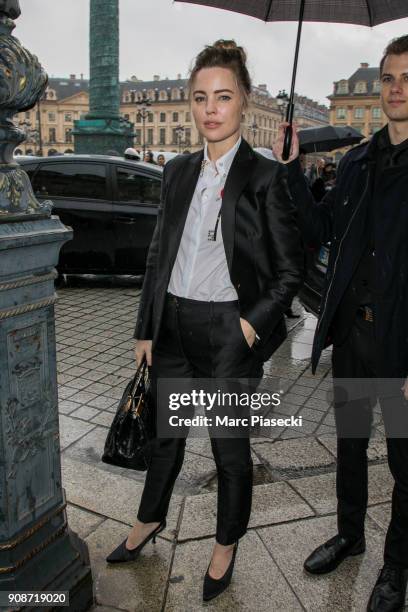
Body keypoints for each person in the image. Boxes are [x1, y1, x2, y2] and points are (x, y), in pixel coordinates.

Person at [106, 39, 303, 601]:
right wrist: (146, 326)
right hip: (172, 325)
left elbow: (289, 273)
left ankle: (225, 543)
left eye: (222, 96)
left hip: (227, 332)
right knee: (164, 437)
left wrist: (248, 326)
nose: (210, 108)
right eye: (199, 97)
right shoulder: (176, 171)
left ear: (243, 101)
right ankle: (149, 520)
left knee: (227, 448)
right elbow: (157, 255)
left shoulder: (265, 177)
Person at [273, 34, 408, 612]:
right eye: (389, 78)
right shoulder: (356, 161)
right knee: (350, 445)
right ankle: (350, 536)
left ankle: (396, 568)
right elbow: (318, 229)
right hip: (353, 334)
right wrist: (292, 170)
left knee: (404, 461)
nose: (396, 89)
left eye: (407, 79)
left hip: (404, 344)